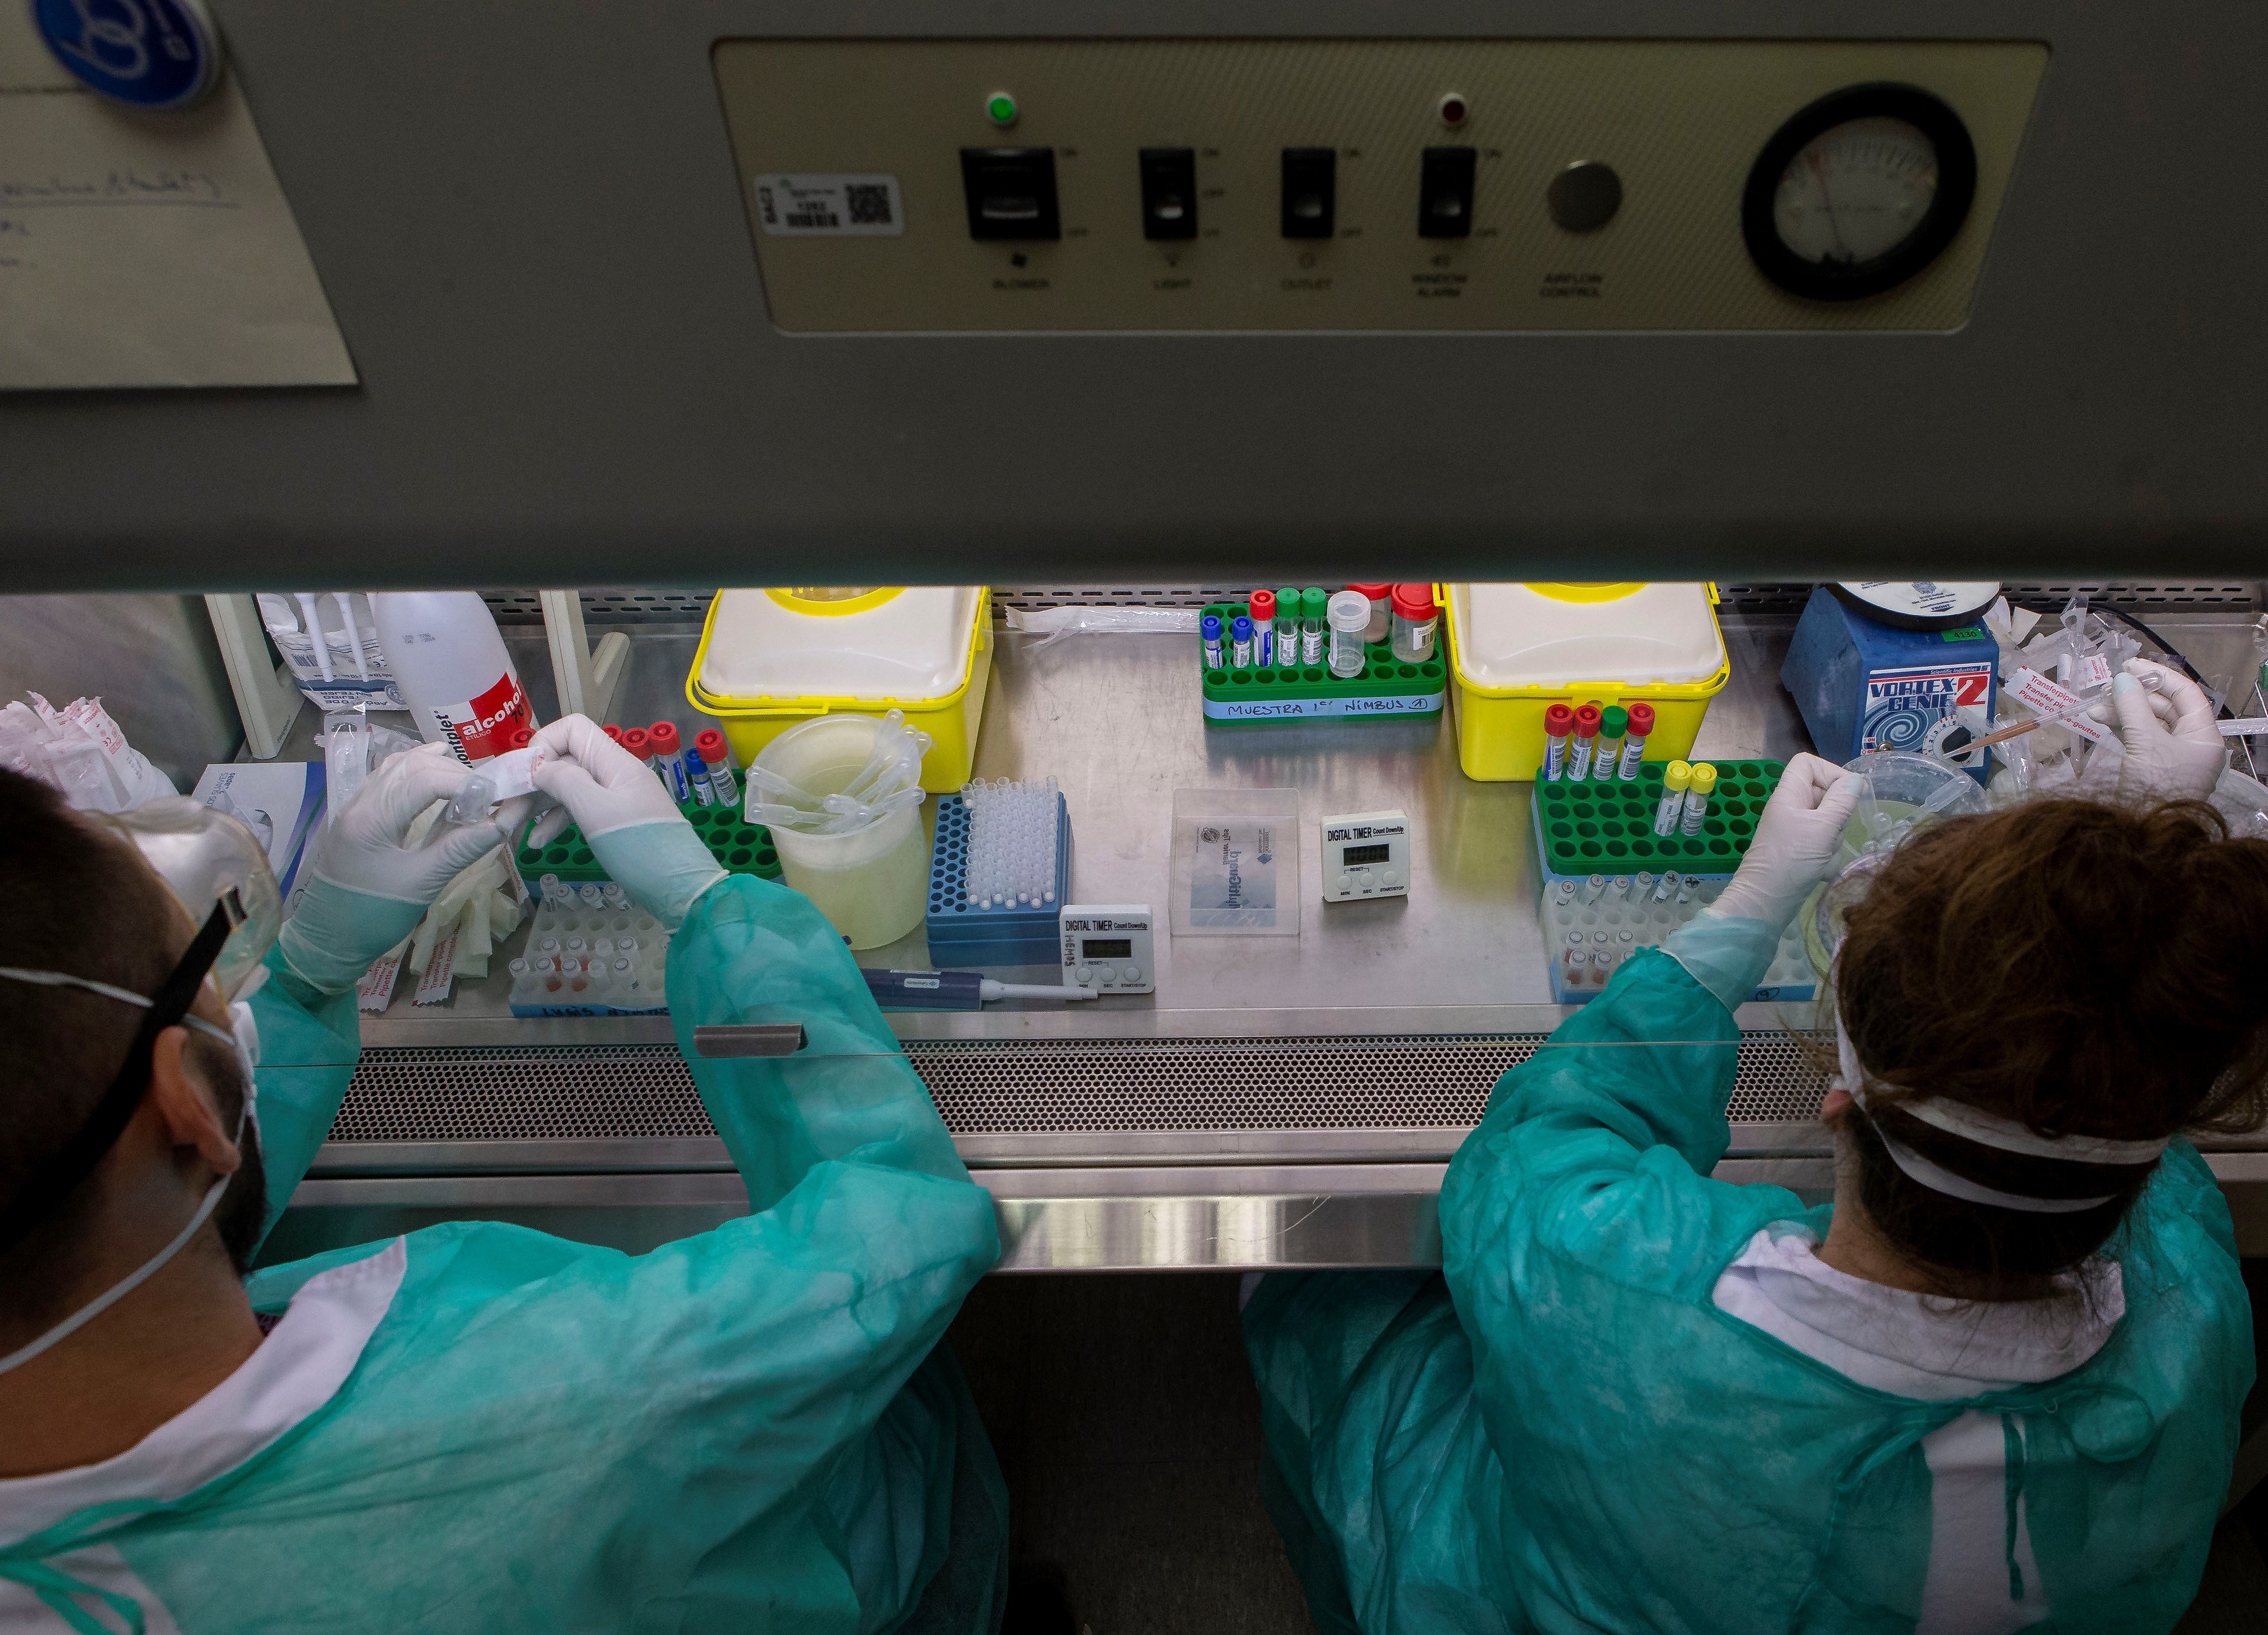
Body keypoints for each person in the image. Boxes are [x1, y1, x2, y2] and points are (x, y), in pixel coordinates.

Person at [1245, 657, 2268, 1633]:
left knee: (1327, 1282)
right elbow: (2116, 1083)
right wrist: (2146, 860)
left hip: (1516, 1586)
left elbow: (1530, 1151)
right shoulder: (2197, 1313)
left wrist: (1739, 913)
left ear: (1836, 1101)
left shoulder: (1617, 1280)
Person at [0, 718, 1009, 1632]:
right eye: (205, 971)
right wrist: (715, 913)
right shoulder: (593, 1395)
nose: (229, 992)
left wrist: (304, 979)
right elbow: (905, 1226)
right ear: (185, 1104)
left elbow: (128, 1216)